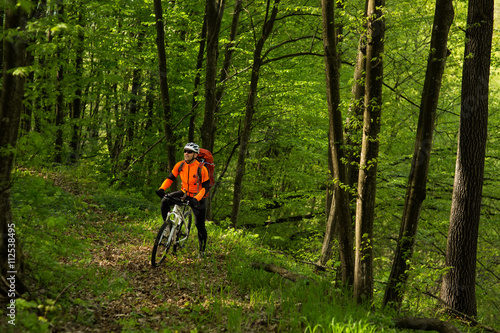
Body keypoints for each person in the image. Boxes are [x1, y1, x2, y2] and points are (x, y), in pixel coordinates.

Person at [156, 142, 210, 258]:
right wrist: (162, 188)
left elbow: (206, 187)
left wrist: (196, 199)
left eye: (189, 151)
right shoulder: (180, 165)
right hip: (184, 192)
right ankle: (169, 227)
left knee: (199, 225)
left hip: (198, 197)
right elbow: (170, 178)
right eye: (185, 151)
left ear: (195, 155)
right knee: (165, 201)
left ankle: (202, 251)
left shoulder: (202, 169)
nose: (186, 153)